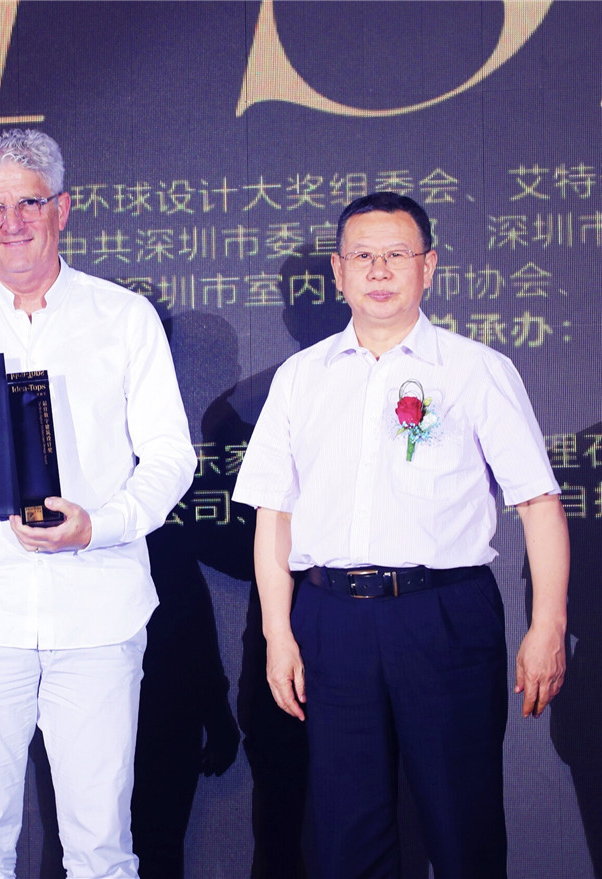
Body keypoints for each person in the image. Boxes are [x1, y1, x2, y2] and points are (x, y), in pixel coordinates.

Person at [0, 129, 196, 878]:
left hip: (99, 613)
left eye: (29, 203)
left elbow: (171, 456)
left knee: (101, 847)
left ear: (62, 209)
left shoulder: (124, 317)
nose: (12, 223)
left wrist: (98, 527)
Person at [233, 192, 569, 878]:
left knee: (463, 825)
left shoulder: (475, 369)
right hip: (331, 618)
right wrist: (278, 632)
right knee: (346, 835)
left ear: (428, 266)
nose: (379, 270)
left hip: (443, 614)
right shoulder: (300, 378)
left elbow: (538, 503)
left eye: (397, 254)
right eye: (363, 256)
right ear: (338, 271)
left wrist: (548, 626)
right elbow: (274, 514)